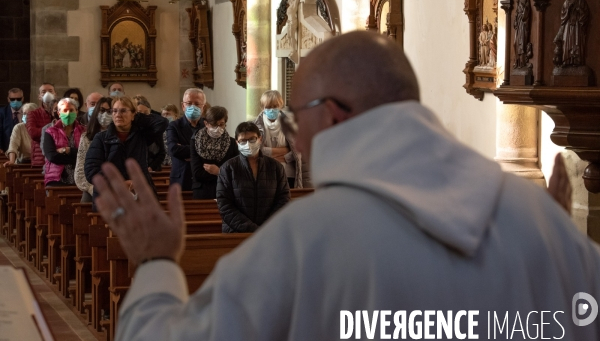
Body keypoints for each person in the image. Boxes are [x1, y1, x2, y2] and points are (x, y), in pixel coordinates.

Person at [92, 31, 600, 340]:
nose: (290, 132)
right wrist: (551, 237)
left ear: (331, 118)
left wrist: (157, 264)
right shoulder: (540, 221)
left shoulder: (304, 239)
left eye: (295, 117)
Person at [85, 96, 168, 210]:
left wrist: (137, 117)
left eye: (123, 111)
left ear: (134, 114)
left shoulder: (142, 135)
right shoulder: (101, 138)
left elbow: (162, 122)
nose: (118, 114)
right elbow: (91, 171)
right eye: (114, 111)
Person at [217, 122, 290, 232]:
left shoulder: (275, 167)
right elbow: (224, 204)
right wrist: (251, 229)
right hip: (236, 232)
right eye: (243, 141)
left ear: (260, 139)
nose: (248, 144)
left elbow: (283, 199)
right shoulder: (228, 168)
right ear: (237, 142)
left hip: (269, 231)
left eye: (252, 139)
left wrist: (266, 227)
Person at [254, 90, 303, 188]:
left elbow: (298, 149)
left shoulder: (291, 124)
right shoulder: (255, 125)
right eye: (268, 107)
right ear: (262, 108)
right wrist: (283, 151)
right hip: (266, 172)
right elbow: (257, 151)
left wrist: (285, 157)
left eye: (275, 106)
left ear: (281, 106)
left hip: (288, 172)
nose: (272, 110)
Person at [190, 106, 238, 199]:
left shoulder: (232, 143)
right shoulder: (196, 140)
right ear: (206, 123)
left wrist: (219, 172)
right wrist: (223, 173)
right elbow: (197, 173)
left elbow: (235, 171)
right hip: (202, 191)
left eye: (221, 124)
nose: (218, 128)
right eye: (214, 125)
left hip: (225, 190)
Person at [166, 88, 206, 191]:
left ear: (203, 108)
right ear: (183, 106)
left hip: (204, 180)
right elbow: (173, 150)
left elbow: (214, 150)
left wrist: (186, 151)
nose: (192, 107)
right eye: (189, 103)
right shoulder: (174, 126)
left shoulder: (208, 126)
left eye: (197, 104)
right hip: (181, 180)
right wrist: (200, 152)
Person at [75, 97, 112, 202]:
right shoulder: (87, 137)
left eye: (109, 111)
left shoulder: (120, 137)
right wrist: (92, 188)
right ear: (96, 112)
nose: (105, 114)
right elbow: (80, 170)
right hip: (91, 188)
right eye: (102, 110)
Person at [43, 98, 84, 186]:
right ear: (59, 113)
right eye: (65, 110)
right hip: (56, 178)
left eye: (71, 110)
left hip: (80, 177)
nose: (68, 114)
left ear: (76, 112)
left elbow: (86, 154)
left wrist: (67, 150)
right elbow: (51, 156)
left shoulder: (84, 131)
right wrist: (75, 158)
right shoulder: (50, 132)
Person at [26, 83, 57, 166]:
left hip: (58, 156)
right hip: (40, 158)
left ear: (55, 94)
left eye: (50, 91)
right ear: (39, 96)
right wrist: (53, 130)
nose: (47, 93)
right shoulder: (33, 114)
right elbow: (33, 133)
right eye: (43, 91)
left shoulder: (61, 112)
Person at [133, 95, 165, 171]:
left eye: (146, 113)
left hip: (153, 170)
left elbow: (161, 153)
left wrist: (151, 168)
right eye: (140, 113)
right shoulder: (133, 130)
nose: (143, 116)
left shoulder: (156, 130)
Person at [0, 88, 24, 154]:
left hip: (24, 150)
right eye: (12, 99)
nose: (15, 101)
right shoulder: (2, 112)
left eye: (18, 99)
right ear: (8, 99)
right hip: (6, 149)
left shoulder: (28, 111)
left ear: (22, 99)